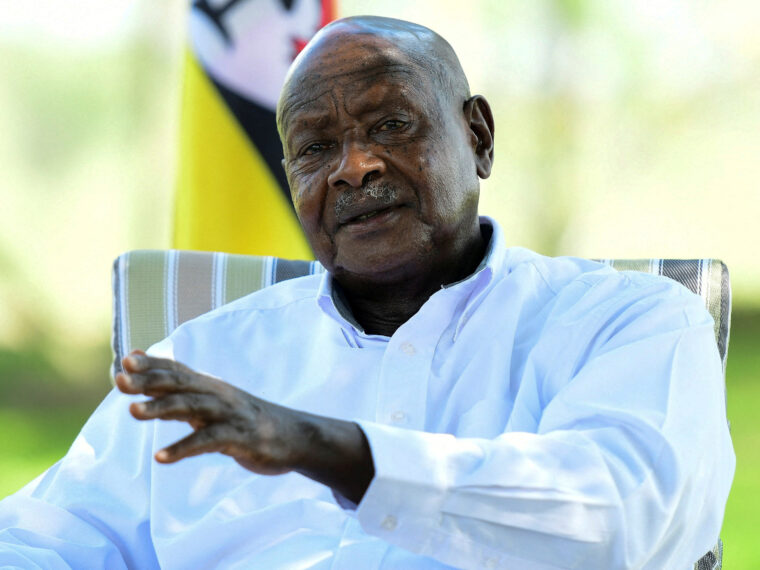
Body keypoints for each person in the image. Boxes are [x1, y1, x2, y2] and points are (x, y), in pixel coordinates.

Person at [0, 16, 733, 570]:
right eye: (316, 148)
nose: (353, 168)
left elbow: (615, 519)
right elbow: (55, 533)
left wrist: (321, 447)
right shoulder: (205, 358)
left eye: (390, 125)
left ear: (478, 137)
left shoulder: (630, 321)